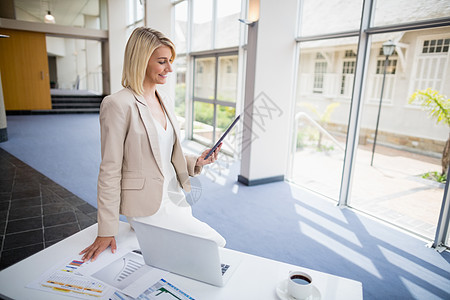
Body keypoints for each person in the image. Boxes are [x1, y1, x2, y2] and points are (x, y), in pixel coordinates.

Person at [80, 27, 225, 262]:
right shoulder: (118, 104)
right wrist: (106, 229)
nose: (169, 68)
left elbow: (163, 152)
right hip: (147, 207)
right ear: (141, 61)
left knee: (186, 257)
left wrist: (196, 161)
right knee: (214, 243)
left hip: (174, 196)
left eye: (170, 61)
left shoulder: (164, 99)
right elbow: (109, 169)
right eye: (162, 61)